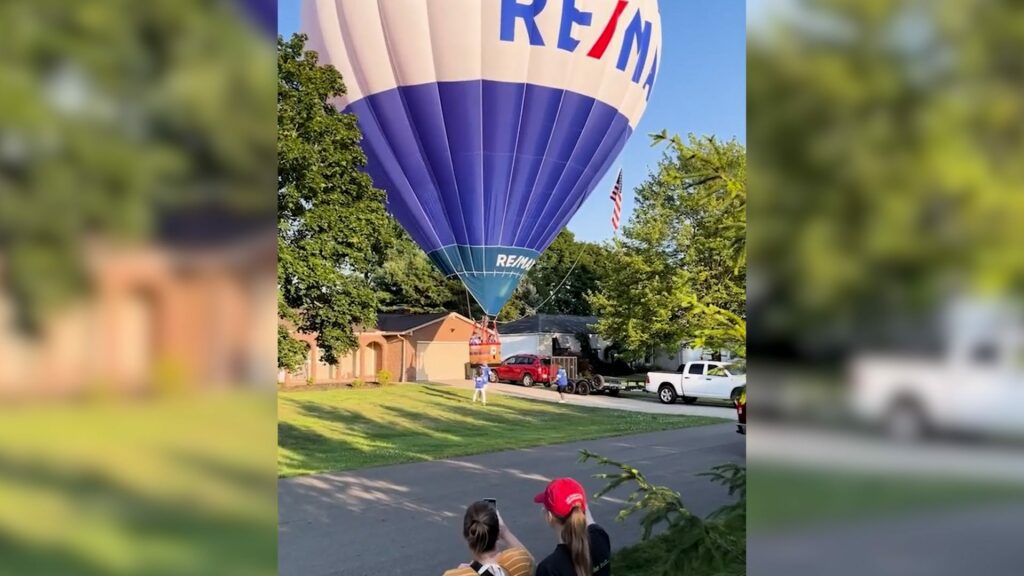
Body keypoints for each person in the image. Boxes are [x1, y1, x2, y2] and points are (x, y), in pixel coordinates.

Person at [533, 478, 611, 576]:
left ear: (549, 517)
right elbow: (589, 521)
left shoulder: (549, 569)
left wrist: (506, 533)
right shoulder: (600, 538)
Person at [443, 500, 534, 576]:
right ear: (497, 533)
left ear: (466, 535)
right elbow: (534, 567)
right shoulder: (518, 559)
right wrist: (506, 532)